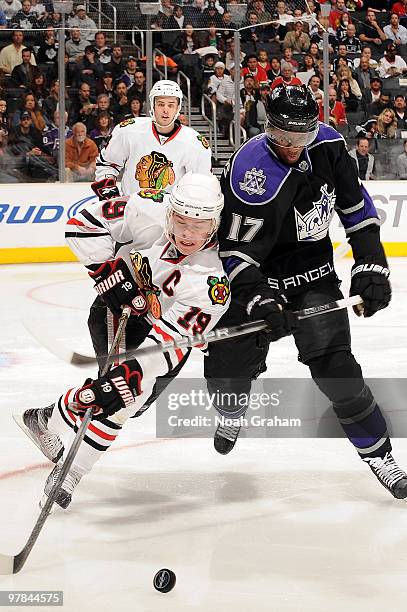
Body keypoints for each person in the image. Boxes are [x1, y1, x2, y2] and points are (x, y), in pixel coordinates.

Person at [203, 85, 407, 500]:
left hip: (315, 279)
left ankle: (380, 453)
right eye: (283, 138)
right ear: (268, 128)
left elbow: (356, 208)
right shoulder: (249, 170)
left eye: (301, 138)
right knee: (226, 368)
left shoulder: (330, 146)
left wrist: (370, 262)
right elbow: (235, 250)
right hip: (257, 283)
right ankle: (231, 407)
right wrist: (258, 296)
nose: (293, 148)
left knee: (339, 372)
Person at [18, 173, 230, 508]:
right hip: (116, 312)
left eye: (200, 226)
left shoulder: (212, 281)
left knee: (129, 396)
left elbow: (175, 340)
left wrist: (135, 370)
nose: (188, 234)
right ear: (170, 213)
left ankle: (49, 416)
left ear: (213, 225)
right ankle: (70, 472)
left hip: (163, 334)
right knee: (123, 399)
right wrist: (108, 273)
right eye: (182, 222)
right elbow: (81, 224)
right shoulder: (148, 207)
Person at [93, 80, 212, 200]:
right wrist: (110, 195)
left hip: (172, 214)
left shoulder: (195, 143)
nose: (165, 110)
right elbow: (107, 163)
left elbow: (202, 185)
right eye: (161, 104)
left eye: (171, 105)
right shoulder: (128, 130)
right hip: (131, 210)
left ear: (178, 108)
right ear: (152, 105)